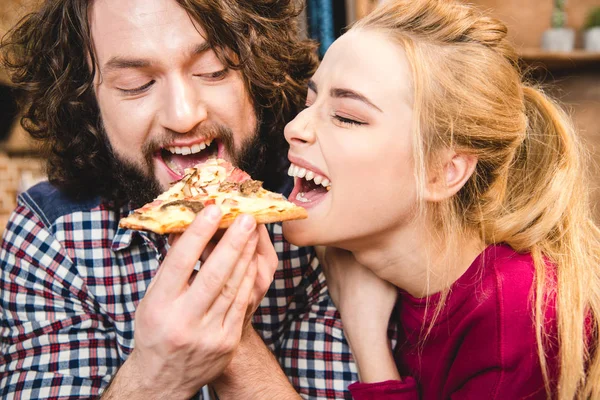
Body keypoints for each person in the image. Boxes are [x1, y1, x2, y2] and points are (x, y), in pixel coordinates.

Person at [0, 0, 359, 399]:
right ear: (87, 101)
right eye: (136, 84)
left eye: (214, 70)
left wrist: (235, 343)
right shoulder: (51, 233)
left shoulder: (327, 216)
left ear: (258, 73)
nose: (184, 115)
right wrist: (156, 375)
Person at [280, 0, 600, 398]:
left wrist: (366, 340)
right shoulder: (360, 268)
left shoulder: (519, 318)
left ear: (443, 172)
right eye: (310, 103)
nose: (295, 128)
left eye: (347, 116)